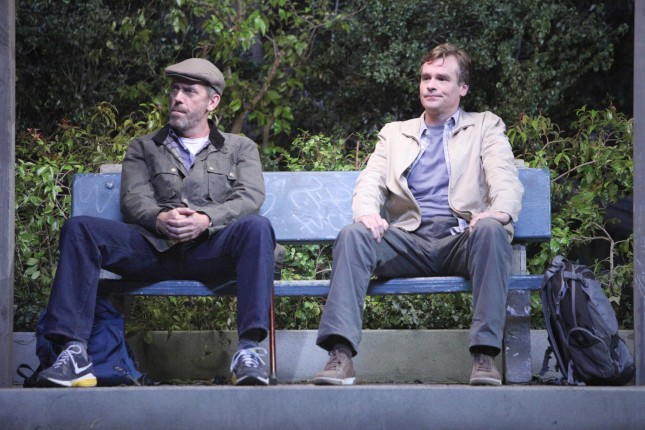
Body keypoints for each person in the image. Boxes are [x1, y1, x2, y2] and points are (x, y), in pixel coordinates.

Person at [37, 58, 276, 387]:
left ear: (212, 102)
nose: (177, 97)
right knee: (79, 229)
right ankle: (74, 353)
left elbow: (249, 197)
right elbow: (133, 199)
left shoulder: (239, 148)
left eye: (189, 91)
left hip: (211, 251)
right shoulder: (144, 146)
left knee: (258, 227)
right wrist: (159, 218)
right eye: (175, 89)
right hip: (152, 251)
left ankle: (249, 351)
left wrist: (206, 219)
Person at [312, 43, 524, 386]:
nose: (431, 85)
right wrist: (367, 213)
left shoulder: (484, 126)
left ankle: (484, 357)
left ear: (463, 88)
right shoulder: (395, 133)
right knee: (353, 235)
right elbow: (370, 181)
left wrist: (498, 212)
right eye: (426, 78)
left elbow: (504, 176)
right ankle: (340, 356)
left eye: (442, 78)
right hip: (409, 240)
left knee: (491, 231)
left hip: (461, 239)